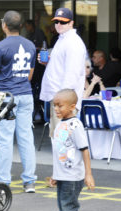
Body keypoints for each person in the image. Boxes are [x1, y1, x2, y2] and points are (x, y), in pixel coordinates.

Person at [0, 10, 37, 193]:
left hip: (6, 95)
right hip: (26, 94)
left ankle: (4, 180)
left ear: (4, 26)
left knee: (4, 139)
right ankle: (30, 181)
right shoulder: (31, 45)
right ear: (22, 26)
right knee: (26, 137)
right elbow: (29, 75)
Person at [49, 89, 95, 211]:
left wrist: (88, 174)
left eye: (60, 106)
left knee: (68, 210)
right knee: (63, 210)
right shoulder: (62, 123)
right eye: (55, 106)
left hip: (73, 176)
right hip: (63, 175)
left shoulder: (75, 125)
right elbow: (60, 153)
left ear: (72, 106)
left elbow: (84, 150)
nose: (56, 109)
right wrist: (55, 174)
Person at [39, 7, 87, 138]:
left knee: (63, 142)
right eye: (57, 21)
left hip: (63, 100)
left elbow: (72, 74)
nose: (59, 24)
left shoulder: (73, 42)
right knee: (57, 139)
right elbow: (60, 67)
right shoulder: (62, 39)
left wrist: (63, 102)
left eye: (63, 22)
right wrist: (46, 63)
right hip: (58, 98)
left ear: (71, 23)